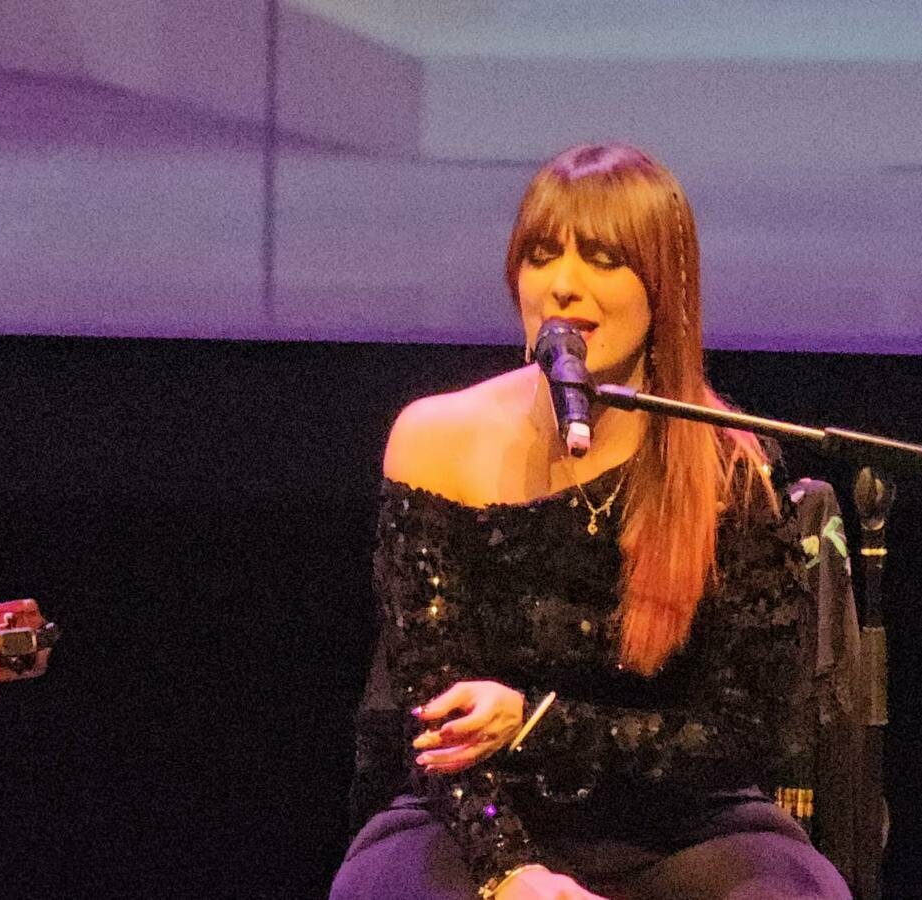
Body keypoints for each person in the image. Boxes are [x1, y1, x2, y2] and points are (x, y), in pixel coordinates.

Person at [331, 144, 855, 899]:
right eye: (541, 256)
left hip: (680, 826)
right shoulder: (434, 438)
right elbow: (431, 709)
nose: (563, 284)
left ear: (664, 287)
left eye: (603, 259)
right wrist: (511, 872)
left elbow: (739, 735)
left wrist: (537, 722)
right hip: (473, 817)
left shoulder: (728, 465)